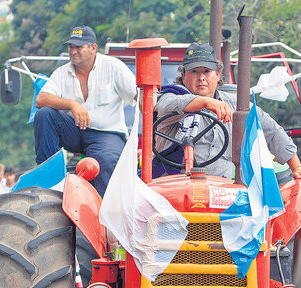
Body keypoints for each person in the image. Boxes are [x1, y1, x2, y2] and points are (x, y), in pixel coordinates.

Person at [154, 42, 301, 179]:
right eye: (194, 72)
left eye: (207, 71)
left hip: (221, 189)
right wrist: (206, 102)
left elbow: (271, 131)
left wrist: (296, 167)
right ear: (184, 76)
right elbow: (165, 105)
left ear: (218, 75)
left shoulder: (237, 106)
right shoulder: (172, 97)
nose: (201, 78)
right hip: (175, 184)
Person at [34, 25, 137, 197]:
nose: (73, 51)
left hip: (106, 134)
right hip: (74, 131)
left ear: (93, 48)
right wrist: (73, 105)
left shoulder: (114, 67)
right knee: (44, 114)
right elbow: (41, 99)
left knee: (107, 162)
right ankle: (48, 179)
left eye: (78, 47)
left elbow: (139, 96)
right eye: (70, 47)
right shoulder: (61, 72)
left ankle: (104, 215)